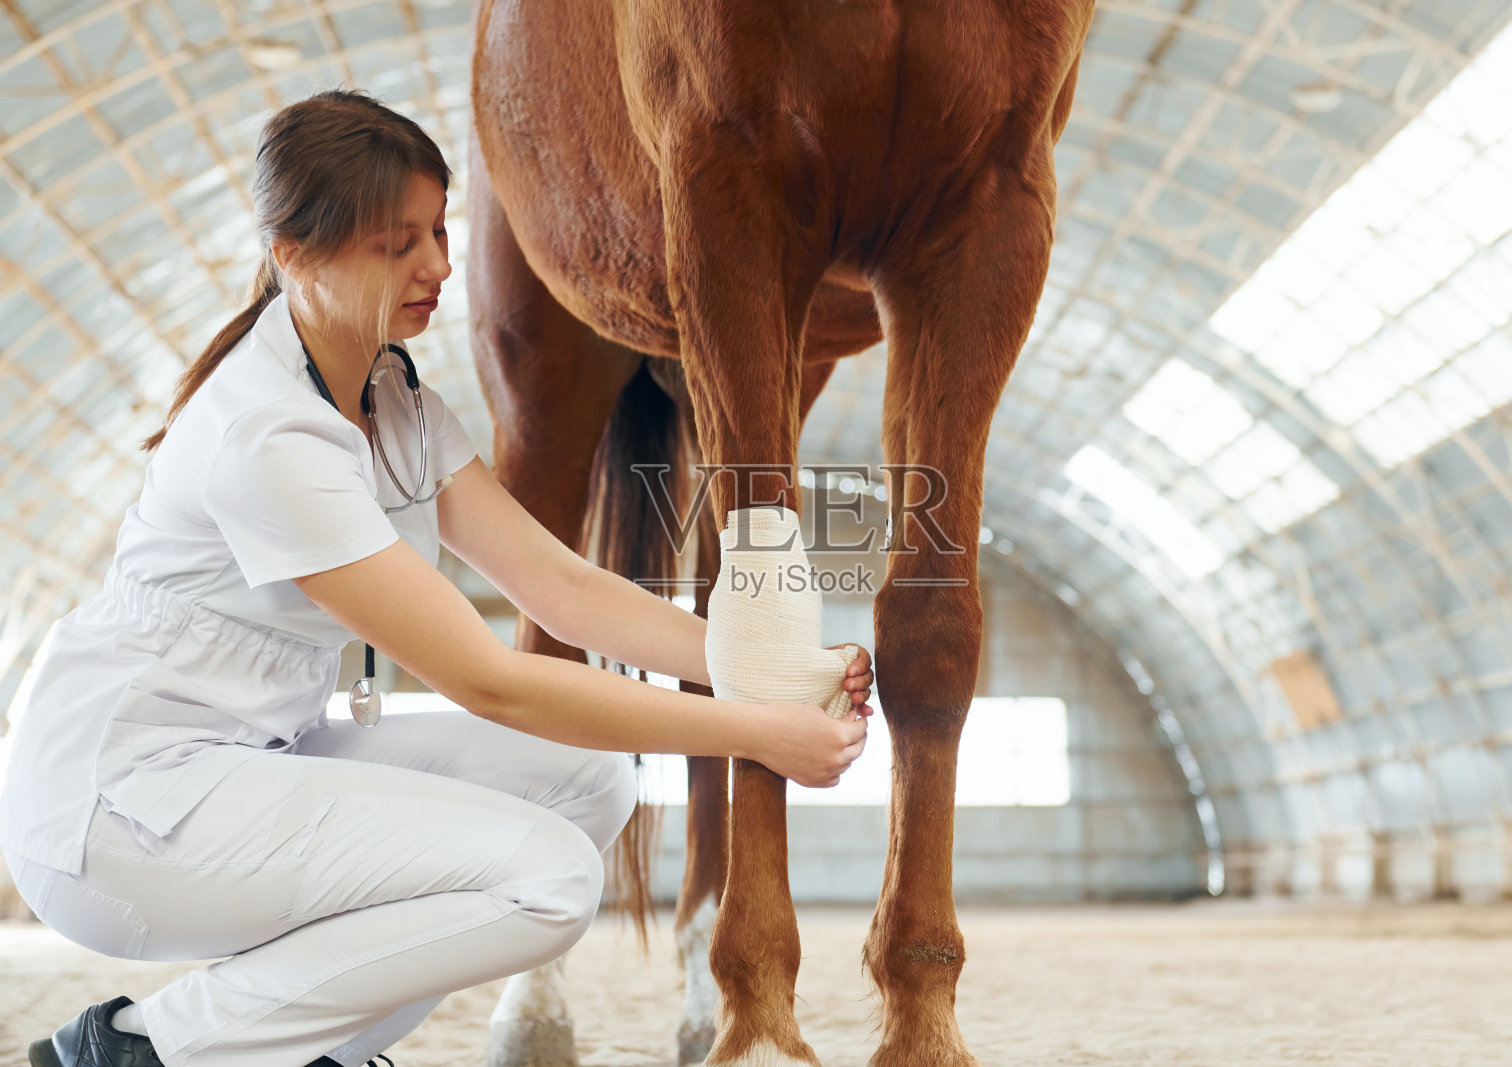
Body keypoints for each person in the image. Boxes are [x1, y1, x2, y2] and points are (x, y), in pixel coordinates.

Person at [0, 89, 873, 1067]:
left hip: (247, 753)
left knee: (587, 779)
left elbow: (561, 587)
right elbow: (488, 679)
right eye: (395, 244)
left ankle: (317, 1055)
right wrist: (760, 729)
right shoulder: (268, 435)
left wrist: (773, 670)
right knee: (546, 880)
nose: (439, 265)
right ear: (293, 252)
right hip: (115, 805)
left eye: (439, 230)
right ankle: (138, 1048)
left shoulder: (394, 397)